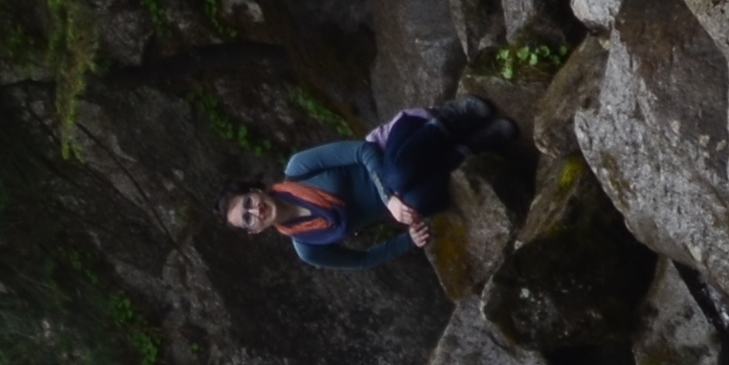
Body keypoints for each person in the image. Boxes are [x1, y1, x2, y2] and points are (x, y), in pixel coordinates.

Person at [223, 93, 528, 268]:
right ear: (255, 231)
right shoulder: (308, 247)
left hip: (399, 147)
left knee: (399, 174)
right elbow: (361, 260)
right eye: (247, 219)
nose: (255, 211)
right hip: (404, 195)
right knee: (420, 202)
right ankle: (473, 146)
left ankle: (450, 120)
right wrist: (407, 240)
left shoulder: (299, 168)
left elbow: (362, 150)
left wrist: (387, 198)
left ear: (255, 190)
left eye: (248, 203)